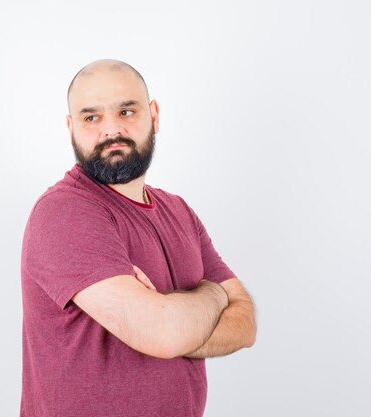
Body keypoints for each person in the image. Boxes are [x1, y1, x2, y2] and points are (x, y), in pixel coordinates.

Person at [20, 59, 256, 417]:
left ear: (154, 115)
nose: (111, 130)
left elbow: (245, 323)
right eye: (91, 117)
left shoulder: (178, 211)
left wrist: (172, 324)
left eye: (126, 111)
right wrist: (212, 294)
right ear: (71, 129)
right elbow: (163, 334)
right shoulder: (64, 211)